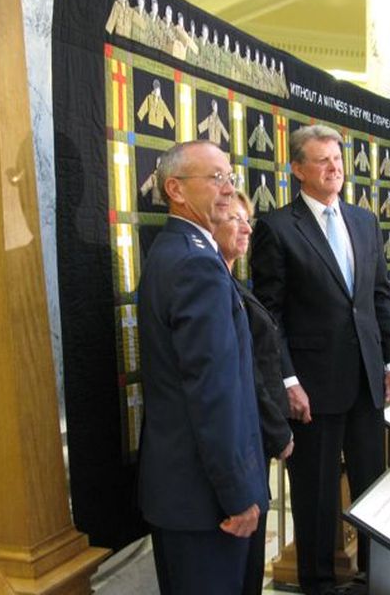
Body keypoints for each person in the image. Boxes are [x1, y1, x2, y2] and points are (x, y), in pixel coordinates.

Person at [250, 124, 390, 595]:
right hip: (312, 390)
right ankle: (317, 584)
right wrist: (287, 380)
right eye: (322, 161)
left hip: (366, 381)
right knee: (316, 496)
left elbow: (380, 295)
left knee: (373, 488)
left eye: (337, 160)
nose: (334, 168)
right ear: (297, 168)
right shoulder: (277, 228)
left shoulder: (363, 221)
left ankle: (374, 577)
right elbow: (269, 314)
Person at [137, 141, 267, 594]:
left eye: (230, 177)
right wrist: (238, 494)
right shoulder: (196, 265)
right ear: (175, 189)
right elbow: (214, 393)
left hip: (188, 498)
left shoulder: (178, 251)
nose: (229, 190)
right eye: (215, 179)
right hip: (207, 504)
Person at [213, 191, 294, 595]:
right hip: (244, 442)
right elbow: (243, 376)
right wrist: (279, 430)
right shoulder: (214, 285)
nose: (247, 228)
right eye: (236, 220)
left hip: (254, 439)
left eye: (249, 221)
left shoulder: (232, 281)